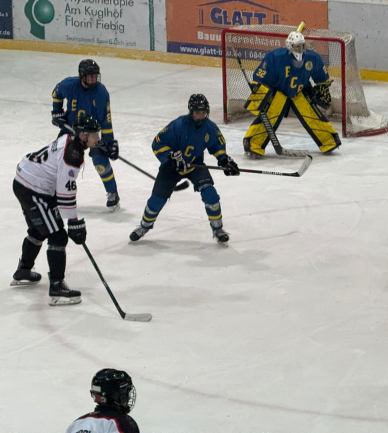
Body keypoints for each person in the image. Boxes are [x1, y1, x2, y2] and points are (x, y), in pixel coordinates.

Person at [11, 115, 100, 305]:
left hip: (24, 181)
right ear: (83, 135)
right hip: (34, 189)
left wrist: (103, 147)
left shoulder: (69, 139)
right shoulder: (73, 155)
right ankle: (57, 287)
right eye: (95, 134)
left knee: (39, 229)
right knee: (58, 235)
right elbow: (64, 191)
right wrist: (74, 222)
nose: (98, 137)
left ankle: (23, 270)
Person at [129, 94, 240, 245]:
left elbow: (217, 146)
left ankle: (218, 229)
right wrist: (170, 157)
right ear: (191, 111)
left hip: (195, 165)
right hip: (171, 167)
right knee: (156, 200)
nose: (200, 116)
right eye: (197, 112)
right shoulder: (178, 125)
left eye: (203, 112)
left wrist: (224, 160)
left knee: (211, 194)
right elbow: (158, 143)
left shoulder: (210, 127)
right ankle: (144, 226)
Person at [243, 30, 342, 157]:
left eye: (302, 45)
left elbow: (322, 78)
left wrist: (323, 87)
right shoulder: (275, 57)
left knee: (312, 115)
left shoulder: (312, 58)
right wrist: (258, 91)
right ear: (289, 46)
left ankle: (329, 142)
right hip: (278, 91)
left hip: (299, 91)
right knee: (270, 116)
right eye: (296, 46)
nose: (300, 49)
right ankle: (253, 145)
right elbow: (260, 77)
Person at [52, 59, 121, 211]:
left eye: (95, 76)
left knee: (100, 160)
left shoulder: (101, 93)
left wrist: (108, 142)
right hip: (71, 129)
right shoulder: (69, 84)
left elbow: (106, 121)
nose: (93, 79)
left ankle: (112, 192)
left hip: (92, 133)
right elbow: (56, 92)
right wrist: (56, 111)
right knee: (60, 158)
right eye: (90, 76)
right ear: (82, 76)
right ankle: (55, 192)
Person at [65, 368, 139, 433]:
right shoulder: (122, 422)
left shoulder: (77, 423)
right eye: (125, 393)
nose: (128, 398)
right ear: (116, 396)